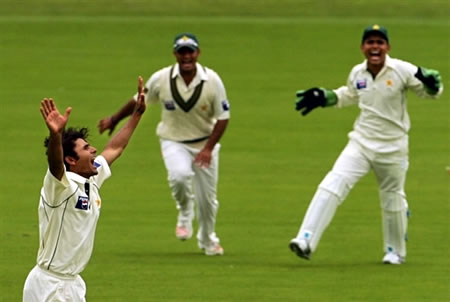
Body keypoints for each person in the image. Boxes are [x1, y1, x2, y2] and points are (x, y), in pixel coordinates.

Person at [289, 24, 443, 264]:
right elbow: (349, 95)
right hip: (361, 143)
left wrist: (434, 84)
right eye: (370, 42)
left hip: (393, 147)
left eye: (379, 42)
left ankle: (395, 252)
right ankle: (305, 239)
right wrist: (325, 97)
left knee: (392, 198)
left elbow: (430, 92)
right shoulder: (357, 73)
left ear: (387, 47)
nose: (375, 47)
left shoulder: (402, 69)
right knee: (332, 184)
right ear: (363, 47)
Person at [97, 33, 230, 256]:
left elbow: (223, 117)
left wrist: (207, 149)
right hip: (173, 140)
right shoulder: (161, 78)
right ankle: (185, 211)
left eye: (190, 51)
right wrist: (114, 118)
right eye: (182, 52)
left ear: (197, 53)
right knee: (179, 176)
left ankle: (208, 240)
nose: (186, 56)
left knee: (207, 201)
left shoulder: (212, 80)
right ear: (175, 54)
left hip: (204, 143)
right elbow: (139, 100)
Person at [23, 77, 146, 301]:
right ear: (70, 159)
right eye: (86, 148)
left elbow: (115, 147)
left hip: (74, 284)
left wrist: (136, 114)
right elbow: (55, 165)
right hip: (49, 285)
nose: (94, 151)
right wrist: (55, 136)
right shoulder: (60, 187)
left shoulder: (91, 180)